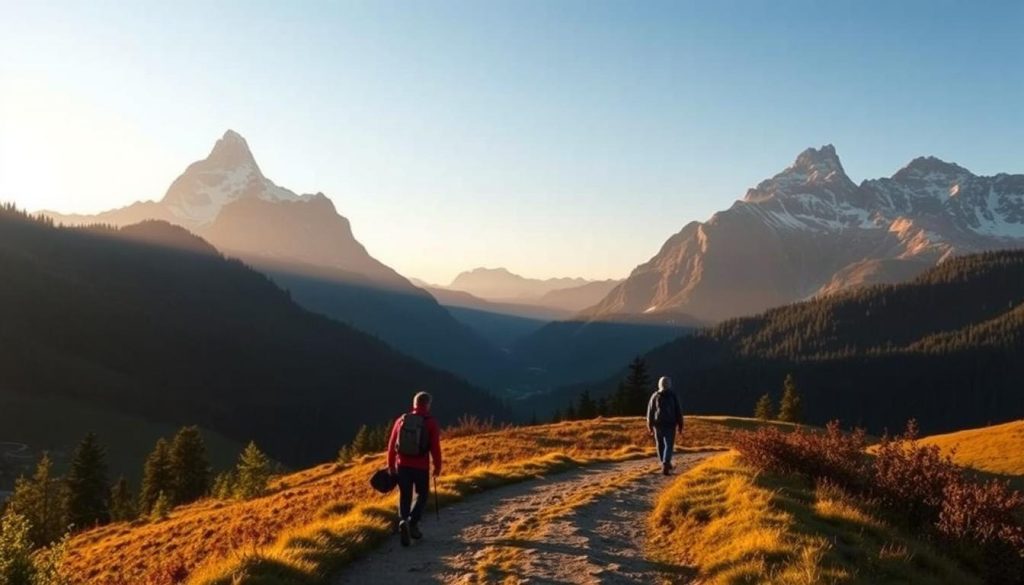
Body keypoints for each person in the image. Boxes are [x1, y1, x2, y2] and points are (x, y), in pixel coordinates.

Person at [387, 391, 443, 547]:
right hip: (421, 467)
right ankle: (413, 523)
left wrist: (391, 465)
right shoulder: (430, 422)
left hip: (402, 465)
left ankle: (404, 520)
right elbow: (435, 448)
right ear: (428, 404)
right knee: (423, 495)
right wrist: (437, 466)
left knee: (405, 495)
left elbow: (392, 445)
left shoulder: (401, 420)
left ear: (414, 404)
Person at [647, 376, 683, 475]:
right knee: (669, 445)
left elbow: (650, 411)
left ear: (659, 384)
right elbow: (678, 411)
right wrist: (680, 425)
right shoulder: (673, 395)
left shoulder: (655, 396)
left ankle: (664, 463)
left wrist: (649, 425)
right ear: (669, 384)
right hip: (670, 424)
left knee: (660, 444)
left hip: (657, 425)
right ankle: (666, 463)